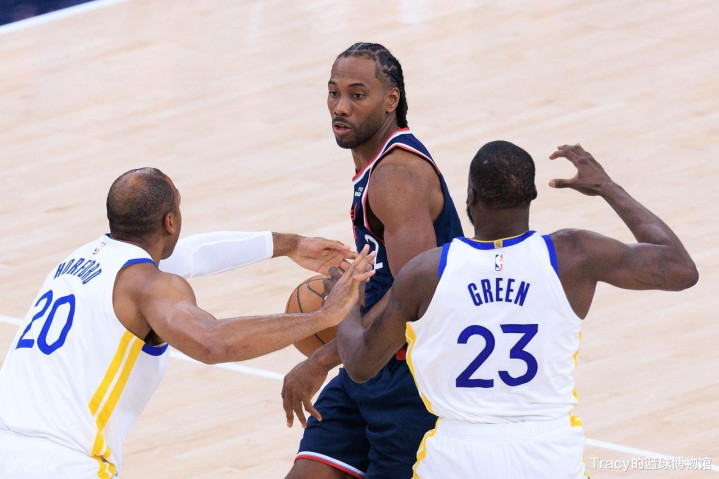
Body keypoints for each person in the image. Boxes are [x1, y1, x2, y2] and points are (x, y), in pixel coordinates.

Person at [336, 142, 699, 478]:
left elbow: (361, 366)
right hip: (548, 453)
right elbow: (680, 268)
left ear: (470, 196)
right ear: (532, 195)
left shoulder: (427, 272)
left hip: (460, 456)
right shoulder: (574, 254)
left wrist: (344, 303)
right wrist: (607, 187)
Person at [0, 168, 376, 479]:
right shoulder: (148, 286)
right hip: (61, 462)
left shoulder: (79, 261)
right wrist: (322, 316)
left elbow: (196, 252)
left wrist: (291, 245)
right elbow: (212, 341)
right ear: (171, 221)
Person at [282, 43, 464, 479]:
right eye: (334, 93)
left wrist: (322, 357)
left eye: (357, 95)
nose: (340, 107)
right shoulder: (377, 168)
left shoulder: (396, 176)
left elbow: (415, 293)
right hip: (370, 364)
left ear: (390, 100)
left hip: (410, 377)